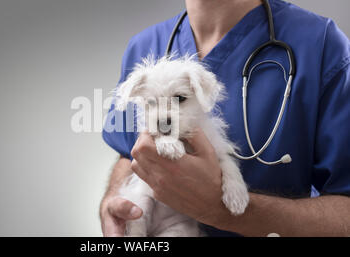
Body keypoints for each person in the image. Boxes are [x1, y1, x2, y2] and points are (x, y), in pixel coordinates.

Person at [100, 0, 350, 236]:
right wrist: (114, 203)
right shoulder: (144, 46)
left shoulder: (321, 44)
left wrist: (222, 211)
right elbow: (129, 152)